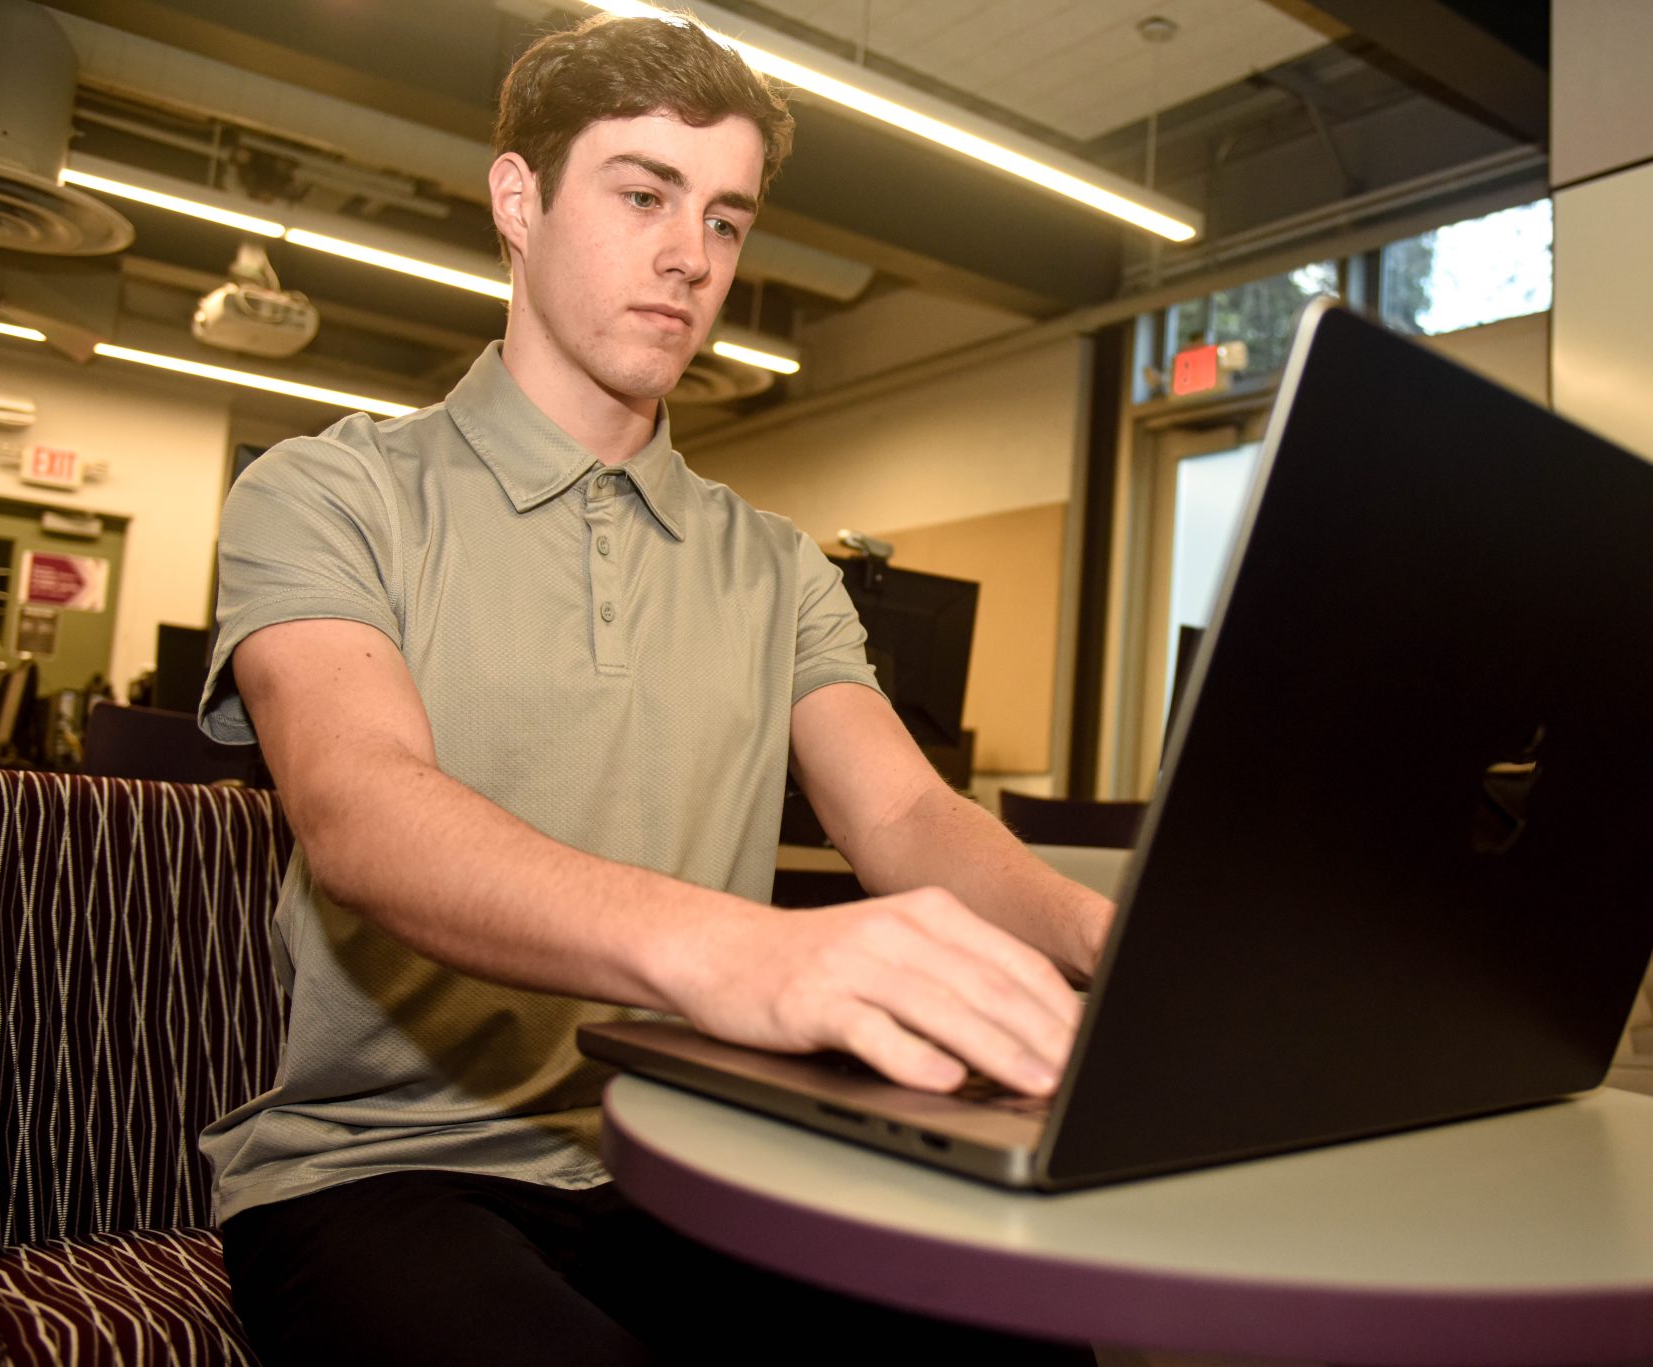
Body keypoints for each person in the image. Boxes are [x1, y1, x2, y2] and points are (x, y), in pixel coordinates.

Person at [197, 12, 1113, 1364]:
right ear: (520, 200)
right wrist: (743, 950)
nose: (692, 257)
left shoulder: (780, 564)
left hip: (691, 1155)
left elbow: (908, 823)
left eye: (729, 221)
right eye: (643, 194)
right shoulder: (329, 493)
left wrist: (1103, 942)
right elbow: (362, 809)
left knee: (1017, 1336)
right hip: (384, 1172)